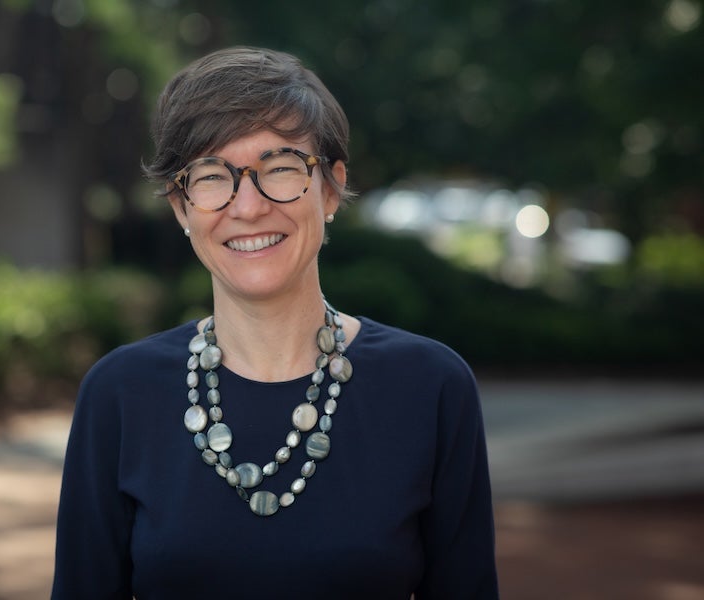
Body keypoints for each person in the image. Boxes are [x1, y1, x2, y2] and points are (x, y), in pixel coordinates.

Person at [51, 46, 499, 599]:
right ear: (180, 206)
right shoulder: (119, 393)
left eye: (280, 168)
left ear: (331, 188)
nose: (248, 207)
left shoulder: (431, 386)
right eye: (211, 176)